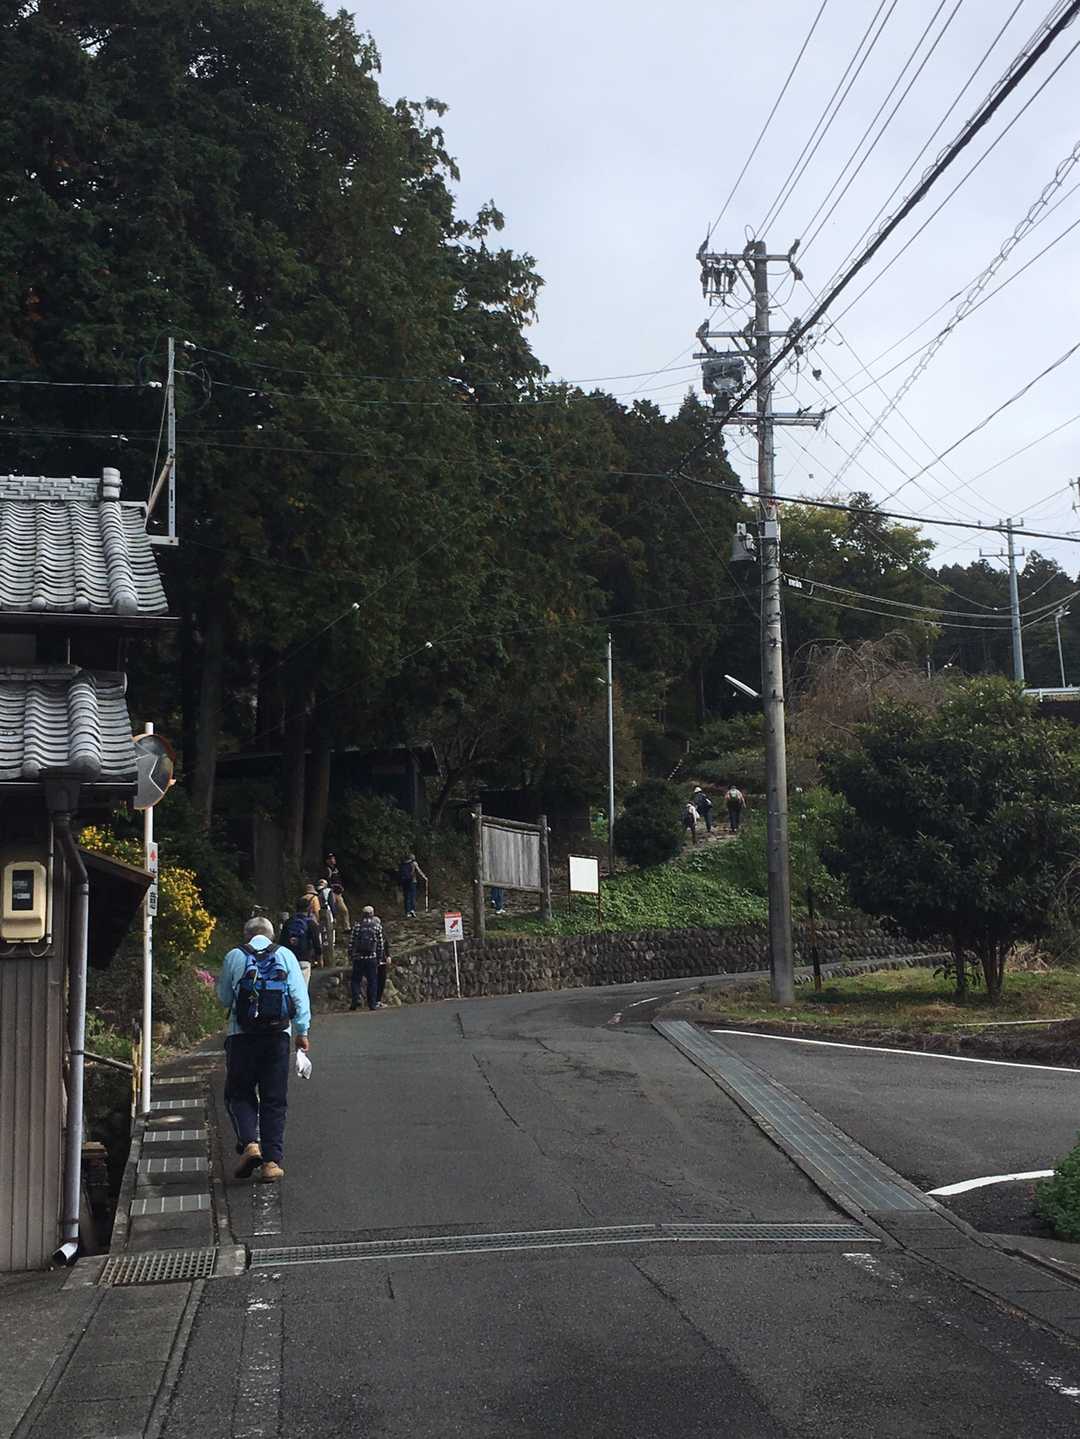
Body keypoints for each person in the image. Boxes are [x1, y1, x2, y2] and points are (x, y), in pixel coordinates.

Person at [216, 916, 310, 1182]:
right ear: (272, 935)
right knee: (274, 1099)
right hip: (277, 1037)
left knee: (239, 1093)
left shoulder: (234, 955)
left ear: (246, 935)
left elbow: (224, 998)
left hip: (241, 1037)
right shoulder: (286, 955)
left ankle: (250, 1145)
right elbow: (299, 997)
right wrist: (302, 1032)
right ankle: (271, 1163)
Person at [349, 905, 390, 1011]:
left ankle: (355, 999)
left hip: (358, 958)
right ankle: (372, 1004)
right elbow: (380, 944)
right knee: (372, 980)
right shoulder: (376, 926)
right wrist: (379, 958)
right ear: (372, 914)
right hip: (372, 957)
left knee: (355, 980)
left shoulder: (357, 926)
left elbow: (352, 942)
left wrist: (351, 955)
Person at [281, 898, 322, 980]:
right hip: (304, 959)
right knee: (303, 986)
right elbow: (317, 943)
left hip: (289, 959)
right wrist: (319, 960)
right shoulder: (311, 923)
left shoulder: (288, 922)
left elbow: (281, 942)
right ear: (309, 909)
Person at [399, 853, 427, 918]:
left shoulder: (403, 864)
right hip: (412, 881)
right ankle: (412, 910)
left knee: (406, 897)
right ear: (412, 858)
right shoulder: (413, 863)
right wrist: (425, 877)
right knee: (412, 896)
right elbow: (419, 871)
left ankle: (407, 912)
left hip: (405, 882)